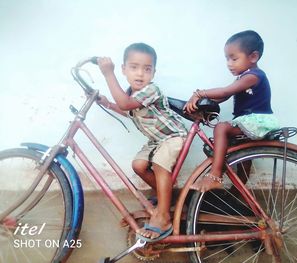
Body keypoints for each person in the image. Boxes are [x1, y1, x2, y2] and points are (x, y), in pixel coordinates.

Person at [97, 43, 187, 241]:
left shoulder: (151, 90)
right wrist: (107, 104)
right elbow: (127, 109)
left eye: (147, 69)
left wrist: (108, 75)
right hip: (158, 139)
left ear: (153, 72)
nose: (140, 74)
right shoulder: (131, 93)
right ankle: (167, 198)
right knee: (138, 165)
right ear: (124, 69)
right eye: (134, 67)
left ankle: (163, 216)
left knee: (159, 164)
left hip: (173, 136)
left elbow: (126, 104)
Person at [184, 30, 279, 192]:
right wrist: (202, 104)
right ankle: (236, 196)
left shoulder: (253, 76)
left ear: (253, 57)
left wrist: (200, 93)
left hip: (257, 121)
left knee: (221, 128)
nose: (229, 63)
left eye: (234, 58)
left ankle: (215, 175)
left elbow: (225, 92)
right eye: (227, 59)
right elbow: (223, 97)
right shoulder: (244, 77)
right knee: (242, 164)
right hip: (249, 123)